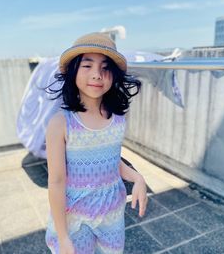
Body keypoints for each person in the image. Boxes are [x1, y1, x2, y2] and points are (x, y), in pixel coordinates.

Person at [44, 32, 148, 254]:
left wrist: (137, 177)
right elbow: (56, 181)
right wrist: (63, 238)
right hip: (75, 219)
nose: (97, 75)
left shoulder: (118, 119)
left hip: (111, 213)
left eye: (105, 67)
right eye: (87, 65)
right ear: (73, 72)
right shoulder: (60, 123)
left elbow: (112, 162)